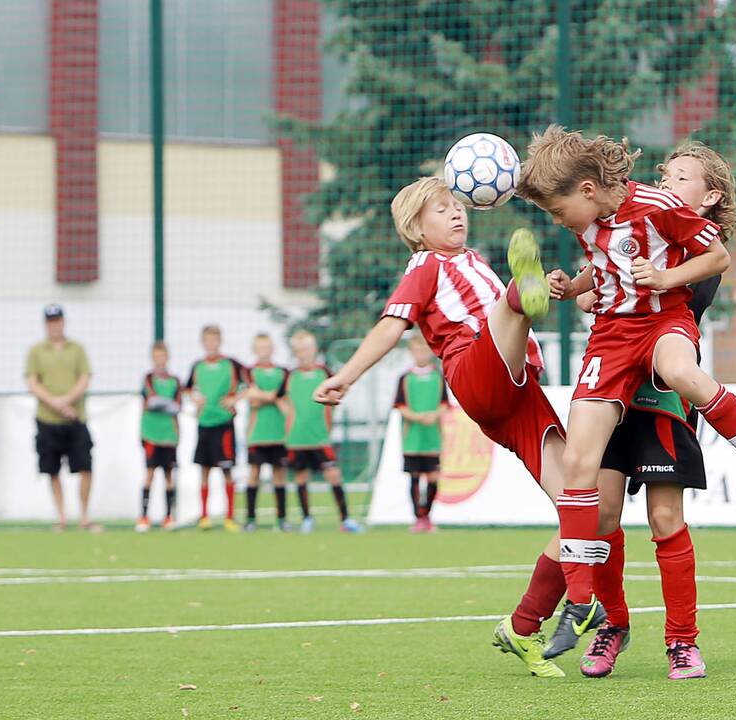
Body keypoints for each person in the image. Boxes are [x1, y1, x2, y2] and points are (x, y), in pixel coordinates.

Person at [515, 125, 736, 662]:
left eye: (682, 174)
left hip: (661, 342)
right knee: (581, 467)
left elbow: (711, 262)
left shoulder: (668, 212)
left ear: (587, 190)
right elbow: (607, 271)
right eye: (667, 170)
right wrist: (572, 287)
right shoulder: (596, 219)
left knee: (679, 377)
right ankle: (586, 609)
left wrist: (663, 280)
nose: (667, 177)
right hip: (612, 341)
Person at [313, 176, 590, 677]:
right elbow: (391, 325)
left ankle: (524, 626)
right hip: (474, 372)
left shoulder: (474, 261)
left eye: (457, 207)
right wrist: (345, 377)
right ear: (416, 229)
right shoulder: (426, 264)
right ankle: (522, 298)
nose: (456, 215)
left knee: (583, 510)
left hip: (522, 395)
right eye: (441, 210)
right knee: (509, 308)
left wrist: (547, 291)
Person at [26, 304, 98, 532]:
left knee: (85, 467)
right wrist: (55, 403)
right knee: (52, 470)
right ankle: (61, 517)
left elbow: (85, 378)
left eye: (57, 320)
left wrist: (67, 400)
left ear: (63, 322)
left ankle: (84, 516)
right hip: (47, 419)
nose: (54, 325)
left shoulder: (77, 349)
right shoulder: (36, 351)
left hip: (75, 418)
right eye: (50, 321)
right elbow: (33, 383)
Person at [281, 331, 362, 534]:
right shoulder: (290, 376)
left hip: (320, 437)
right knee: (301, 478)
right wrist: (291, 417)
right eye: (298, 351)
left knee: (334, 475)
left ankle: (346, 520)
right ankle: (307, 519)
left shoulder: (324, 372)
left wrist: (331, 409)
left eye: (306, 350)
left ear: (314, 349)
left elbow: (341, 388)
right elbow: (280, 398)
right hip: (297, 439)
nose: (303, 355)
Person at [186, 325, 245, 532]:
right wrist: (195, 399)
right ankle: (204, 516)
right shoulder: (197, 366)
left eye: (215, 340)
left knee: (227, 470)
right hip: (204, 424)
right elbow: (187, 388)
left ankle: (229, 516)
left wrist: (234, 399)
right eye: (207, 340)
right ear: (203, 343)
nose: (211, 344)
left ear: (220, 341)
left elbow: (249, 384)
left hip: (224, 425)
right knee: (204, 470)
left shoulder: (231, 364)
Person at [393, 333, 449, 532]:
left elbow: (444, 404)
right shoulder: (405, 378)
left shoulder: (438, 376)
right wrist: (417, 417)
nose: (421, 354)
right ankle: (418, 517)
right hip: (412, 438)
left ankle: (427, 515)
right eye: (417, 350)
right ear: (411, 352)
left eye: (425, 349)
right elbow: (400, 406)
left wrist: (434, 415)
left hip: (432, 437)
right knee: (414, 477)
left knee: (433, 477)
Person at [244, 333, 290, 532]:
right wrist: (273, 397)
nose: (264, 351)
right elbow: (251, 399)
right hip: (257, 433)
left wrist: (262, 395)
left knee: (279, 475)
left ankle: (281, 519)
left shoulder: (283, 372)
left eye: (267, 347)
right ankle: (250, 519)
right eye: (260, 347)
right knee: (254, 474)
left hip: (279, 433)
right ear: (254, 350)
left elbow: (285, 401)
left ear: (273, 349)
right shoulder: (249, 372)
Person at [137, 341, 180, 532]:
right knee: (150, 473)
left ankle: (169, 516)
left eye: (163, 356)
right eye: (156, 357)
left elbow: (177, 407)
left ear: (167, 357)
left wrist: (162, 405)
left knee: (169, 475)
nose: (160, 360)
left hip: (169, 435)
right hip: (151, 435)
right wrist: (165, 404)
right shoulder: (147, 378)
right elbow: (151, 401)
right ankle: (144, 516)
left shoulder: (175, 381)